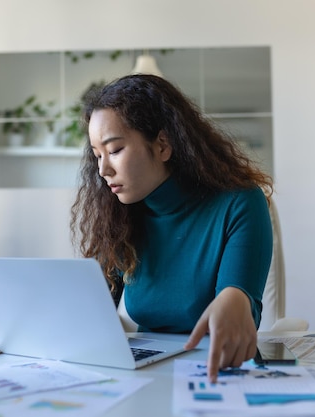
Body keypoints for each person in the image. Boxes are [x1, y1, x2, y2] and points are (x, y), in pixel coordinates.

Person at [70, 74, 273, 382]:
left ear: (163, 145)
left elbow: (238, 299)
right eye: (97, 155)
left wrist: (236, 300)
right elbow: (91, 316)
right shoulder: (119, 217)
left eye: (114, 150)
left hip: (220, 372)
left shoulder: (240, 202)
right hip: (147, 373)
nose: (102, 169)